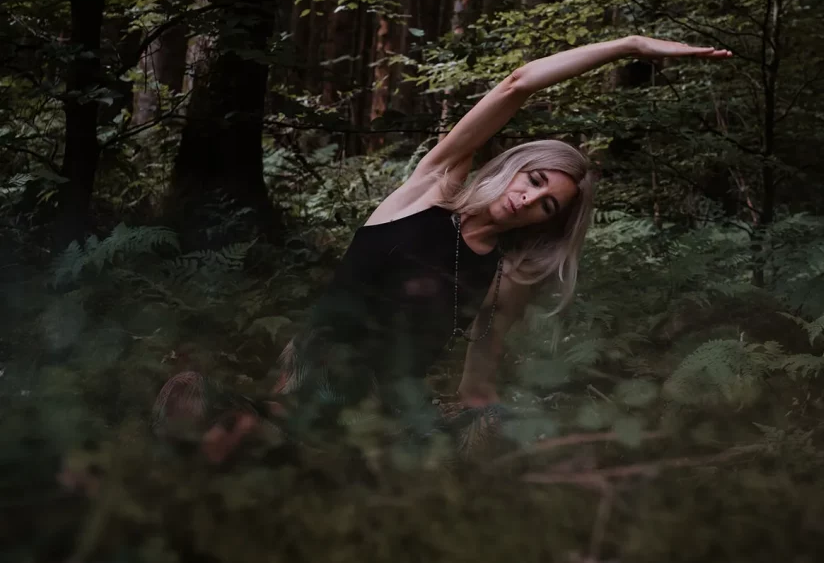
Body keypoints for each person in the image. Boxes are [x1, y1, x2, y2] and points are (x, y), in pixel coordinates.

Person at [152, 35, 732, 461]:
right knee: (195, 397)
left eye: (547, 205)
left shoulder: (507, 275)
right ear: (515, 168)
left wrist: (492, 418)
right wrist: (628, 47)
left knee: (483, 436)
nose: (528, 200)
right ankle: (261, 442)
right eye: (533, 181)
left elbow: (479, 378)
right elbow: (518, 84)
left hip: (382, 418)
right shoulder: (427, 192)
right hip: (310, 384)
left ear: (548, 224)